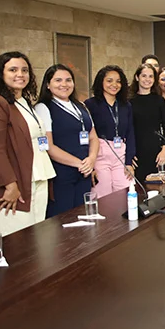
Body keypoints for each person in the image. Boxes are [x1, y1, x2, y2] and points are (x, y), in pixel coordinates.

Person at [0, 51, 55, 236]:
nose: (20, 74)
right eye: (13, 70)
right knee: (15, 246)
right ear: (0, 74)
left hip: (36, 180)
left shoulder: (23, 102)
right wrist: (10, 185)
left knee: (36, 244)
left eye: (24, 70)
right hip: (12, 188)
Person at [35, 64, 99, 217]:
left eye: (68, 80)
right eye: (58, 80)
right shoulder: (43, 107)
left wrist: (91, 159)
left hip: (84, 172)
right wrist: (80, 164)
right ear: (48, 84)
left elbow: (93, 137)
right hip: (61, 174)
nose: (64, 84)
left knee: (82, 215)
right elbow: (48, 146)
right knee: (63, 219)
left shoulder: (81, 106)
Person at [85, 65, 135, 198]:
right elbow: (88, 135)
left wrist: (129, 162)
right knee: (103, 194)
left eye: (118, 81)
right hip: (100, 154)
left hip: (121, 154)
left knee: (126, 190)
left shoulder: (126, 105)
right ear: (101, 82)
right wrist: (91, 165)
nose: (114, 85)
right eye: (109, 81)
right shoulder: (90, 104)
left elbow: (130, 132)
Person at [129, 64, 165, 183]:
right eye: (144, 76)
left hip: (156, 152)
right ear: (137, 77)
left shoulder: (159, 100)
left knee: (158, 187)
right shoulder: (129, 101)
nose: (147, 79)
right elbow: (126, 129)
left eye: (151, 76)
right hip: (136, 152)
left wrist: (164, 150)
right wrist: (128, 155)